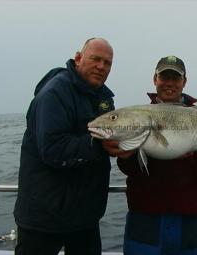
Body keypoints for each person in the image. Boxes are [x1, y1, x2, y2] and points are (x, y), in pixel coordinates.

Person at [13, 37, 127, 255]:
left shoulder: (103, 97)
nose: (101, 67)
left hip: (84, 218)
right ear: (78, 58)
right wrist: (100, 146)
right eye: (96, 59)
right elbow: (53, 150)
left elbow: (108, 138)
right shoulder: (54, 93)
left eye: (107, 63)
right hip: (44, 219)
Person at [117, 55, 197, 255]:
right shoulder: (138, 116)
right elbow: (127, 168)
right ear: (155, 79)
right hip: (145, 219)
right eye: (164, 77)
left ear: (184, 82)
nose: (169, 83)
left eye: (175, 78)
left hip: (189, 222)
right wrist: (126, 153)